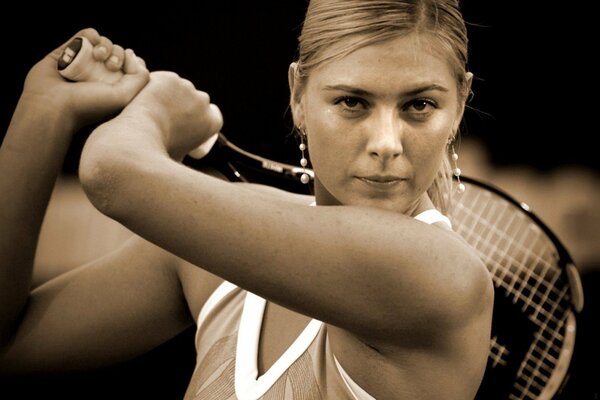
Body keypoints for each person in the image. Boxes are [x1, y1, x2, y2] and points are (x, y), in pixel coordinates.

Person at [0, 1, 494, 398]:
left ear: (459, 104)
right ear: (298, 95)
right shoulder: (216, 254)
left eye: (419, 106)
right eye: (352, 102)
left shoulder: (440, 275)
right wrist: (44, 108)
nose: (386, 142)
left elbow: (113, 173)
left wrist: (158, 108)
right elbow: (8, 342)